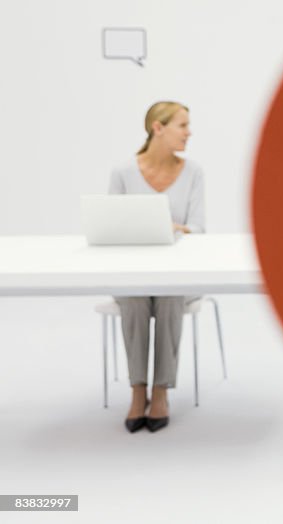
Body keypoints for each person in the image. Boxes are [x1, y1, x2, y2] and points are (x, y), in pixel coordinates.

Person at [111, 101, 205, 432]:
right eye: (183, 125)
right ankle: (138, 390)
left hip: (177, 274)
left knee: (168, 296)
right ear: (158, 128)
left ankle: (161, 390)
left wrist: (171, 228)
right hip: (133, 273)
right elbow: (111, 227)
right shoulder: (123, 174)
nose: (189, 132)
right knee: (135, 299)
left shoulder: (193, 173)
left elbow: (198, 228)